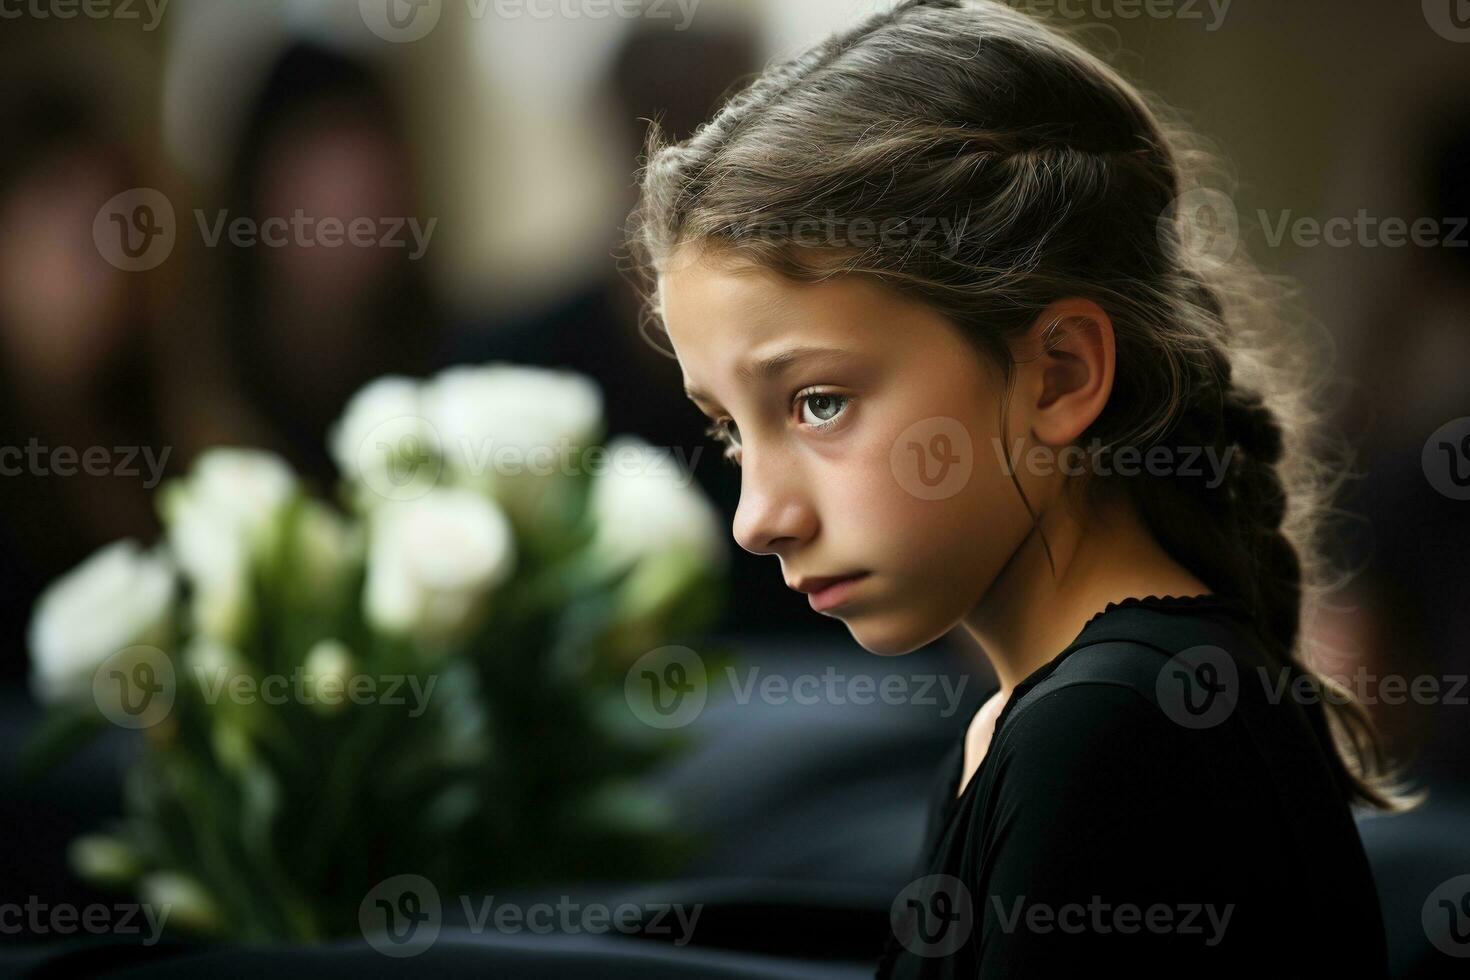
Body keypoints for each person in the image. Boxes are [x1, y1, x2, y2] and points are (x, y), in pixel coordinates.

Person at [622, 0, 1424, 975]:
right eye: (730, 429)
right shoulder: (1047, 717)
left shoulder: (1110, 733)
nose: (758, 518)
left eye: (820, 401)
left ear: (1060, 373)